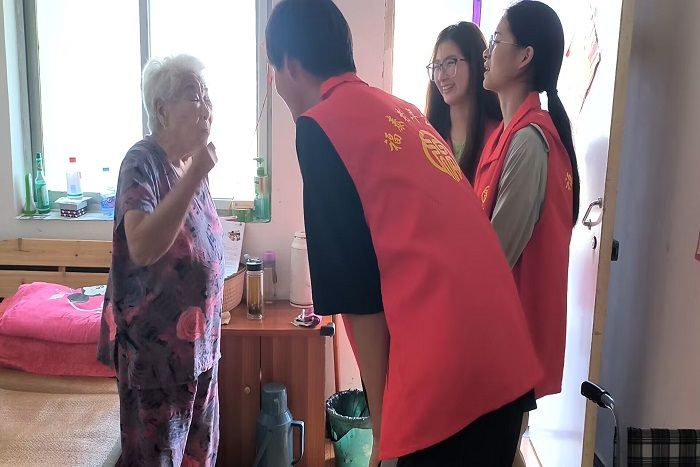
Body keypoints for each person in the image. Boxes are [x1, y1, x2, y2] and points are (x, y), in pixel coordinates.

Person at [265, 1, 542, 465]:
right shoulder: (403, 110)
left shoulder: (321, 125)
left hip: (448, 389)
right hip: (506, 367)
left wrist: (383, 432)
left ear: (290, 65)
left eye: (274, 72)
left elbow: (359, 297)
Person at [96, 54, 223, 466]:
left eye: (207, 96)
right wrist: (194, 176)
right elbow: (143, 247)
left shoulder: (192, 168)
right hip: (156, 365)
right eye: (194, 95)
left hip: (201, 356)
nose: (206, 106)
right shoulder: (142, 162)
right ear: (162, 110)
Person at [475, 2, 580, 465]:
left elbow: (494, 258)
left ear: (524, 57)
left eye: (496, 40)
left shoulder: (529, 142)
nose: (487, 52)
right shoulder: (509, 133)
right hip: (504, 341)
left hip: (506, 344)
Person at [425, 21, 501, 183]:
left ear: (475, 63)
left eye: (450, 62)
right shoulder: (427, 136)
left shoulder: (498, 137)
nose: (441, 76)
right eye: (437, 66)